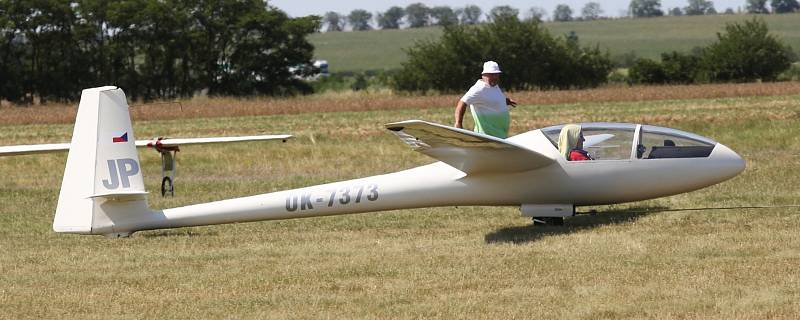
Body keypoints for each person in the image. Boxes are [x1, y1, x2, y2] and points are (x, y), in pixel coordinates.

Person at [454, 61, 517, 139]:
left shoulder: (494, 85)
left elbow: (492, 98)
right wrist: (458, 123)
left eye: (496, 74)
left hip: (499, 135)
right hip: (486, 137)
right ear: (483, 75)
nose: (495, 77)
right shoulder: (478, 89)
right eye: (491, 75)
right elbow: (462, 103)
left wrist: (505, 101)